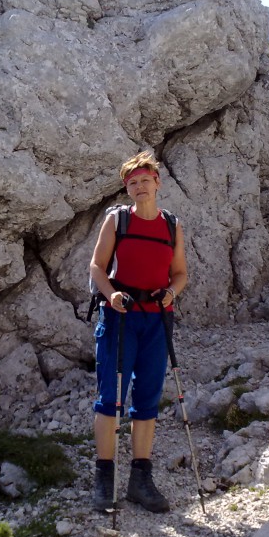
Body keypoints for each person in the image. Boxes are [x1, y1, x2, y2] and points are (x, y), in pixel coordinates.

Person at [88, 149, 188, 513]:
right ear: (127, 189)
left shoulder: (172, 226)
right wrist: (111, 294)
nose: (140, 186)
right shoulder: (117, 221)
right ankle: (105, 478)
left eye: (146, 180)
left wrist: (171, 294)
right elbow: (97, 266)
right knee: (110, 397)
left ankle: (140, 480)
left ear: (157, 183)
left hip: (157, 320)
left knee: (147, 398)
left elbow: (180, 274)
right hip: (121, 317)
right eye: (133, 183)